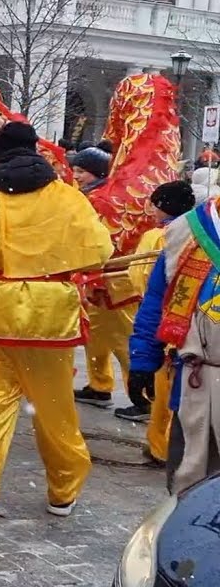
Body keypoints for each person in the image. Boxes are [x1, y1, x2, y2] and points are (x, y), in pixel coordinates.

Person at [0, 121, 113, 529]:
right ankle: (62, 489)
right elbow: (99, 250)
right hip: (50, 314)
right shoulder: (66, 196)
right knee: (54, 406)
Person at [128, 188, 220, 493]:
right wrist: (143, 359)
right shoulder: (192, 229)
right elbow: (157, 298)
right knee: (188, 482)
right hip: (197, 378)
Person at [122, 181, 194, 465]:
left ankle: (162, 447)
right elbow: (156, 298)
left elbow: (139, 280)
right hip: (184, 349)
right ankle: (163, 448)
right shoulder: (188, 238)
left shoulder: (164, 235)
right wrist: (142, 359)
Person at [70, 142, 136, 408]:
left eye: (81, 171)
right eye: (74, 169)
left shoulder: (105, 200)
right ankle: (99, 384)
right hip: (93, 279)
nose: (76, 175)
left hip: (114, 280)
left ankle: (142, 397)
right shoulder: (86, 197)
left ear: (97, 173)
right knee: (94, 335)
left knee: (123, 339)